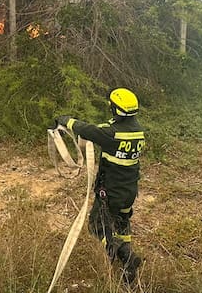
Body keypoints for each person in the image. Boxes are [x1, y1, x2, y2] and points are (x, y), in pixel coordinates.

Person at [56, 88, 146, 285]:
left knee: (96, 225)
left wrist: (65, 120)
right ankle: (127, 268)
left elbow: (87, 130)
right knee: (122, 223)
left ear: (115, 109)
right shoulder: (138, 131)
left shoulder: (112, 133)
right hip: (130, 191)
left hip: (111, 192)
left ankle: (125, 256)